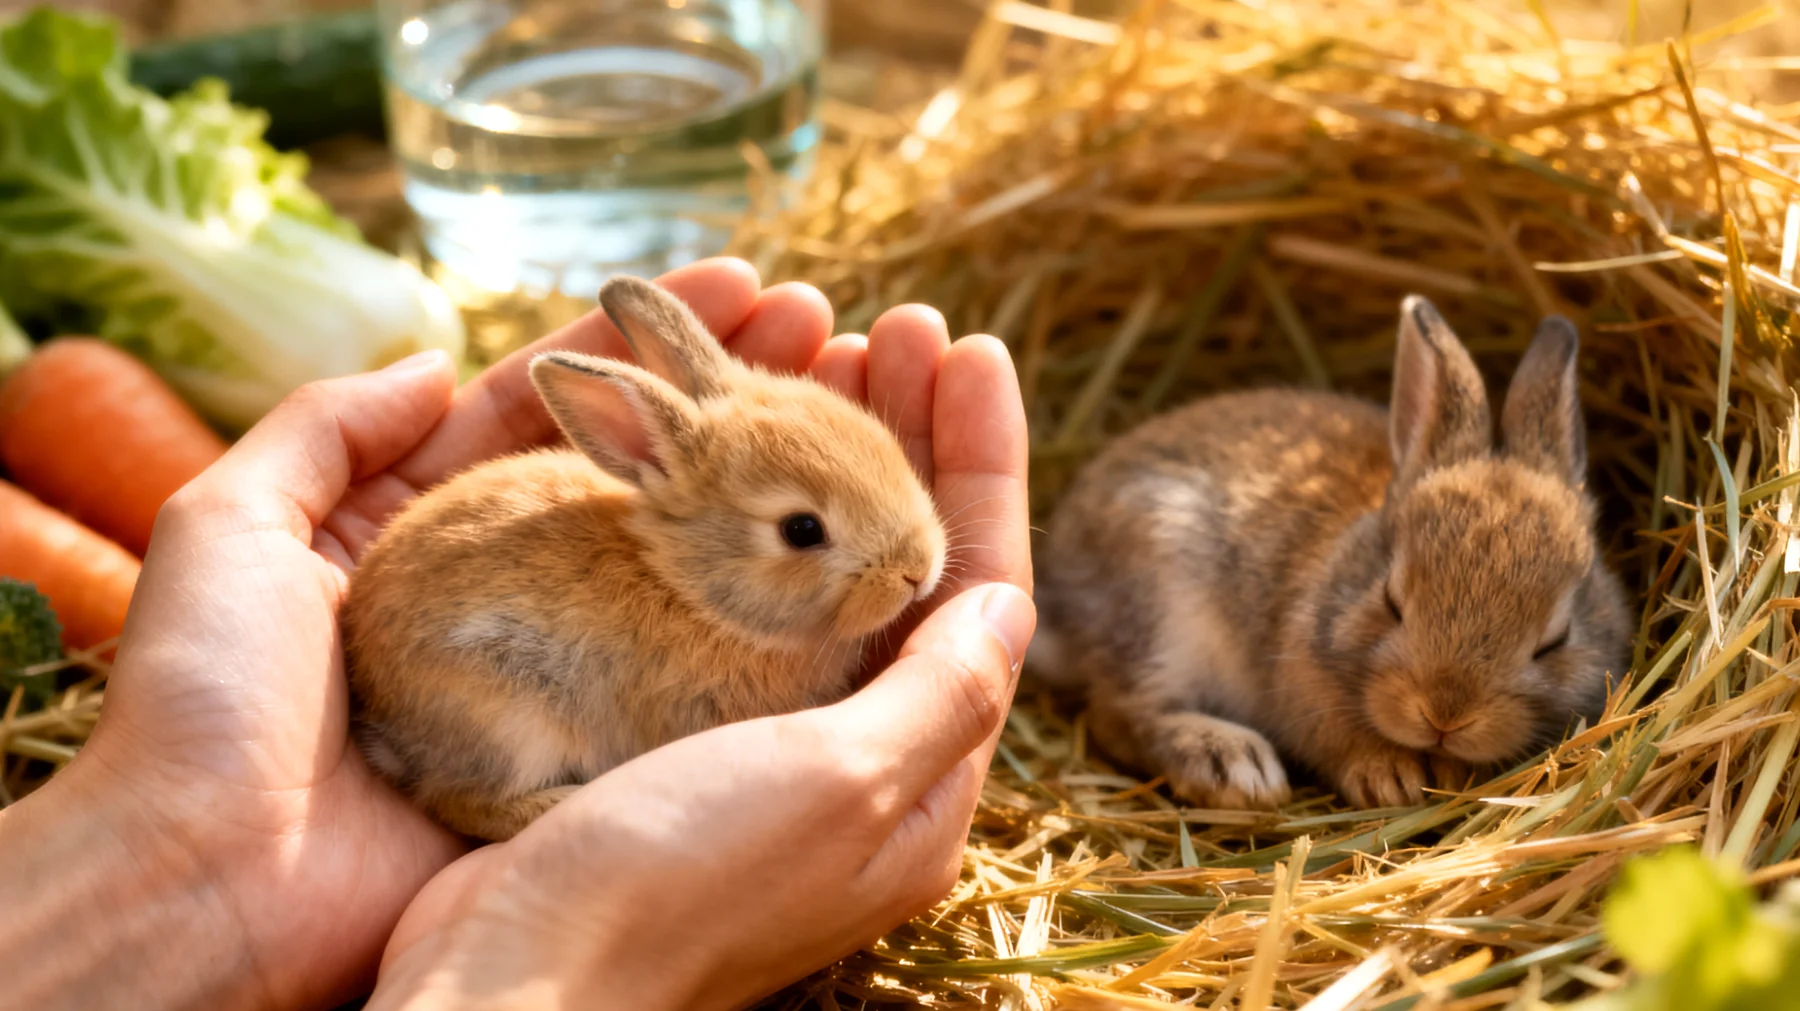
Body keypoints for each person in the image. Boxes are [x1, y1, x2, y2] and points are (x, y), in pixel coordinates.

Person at [0, 259, 1034, 1011]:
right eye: (805, 535)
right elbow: (688, 720)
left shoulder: (812, 608)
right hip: (454, 679)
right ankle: (483, 796)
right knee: (508, 690)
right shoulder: (704, 637)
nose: (909, 570)